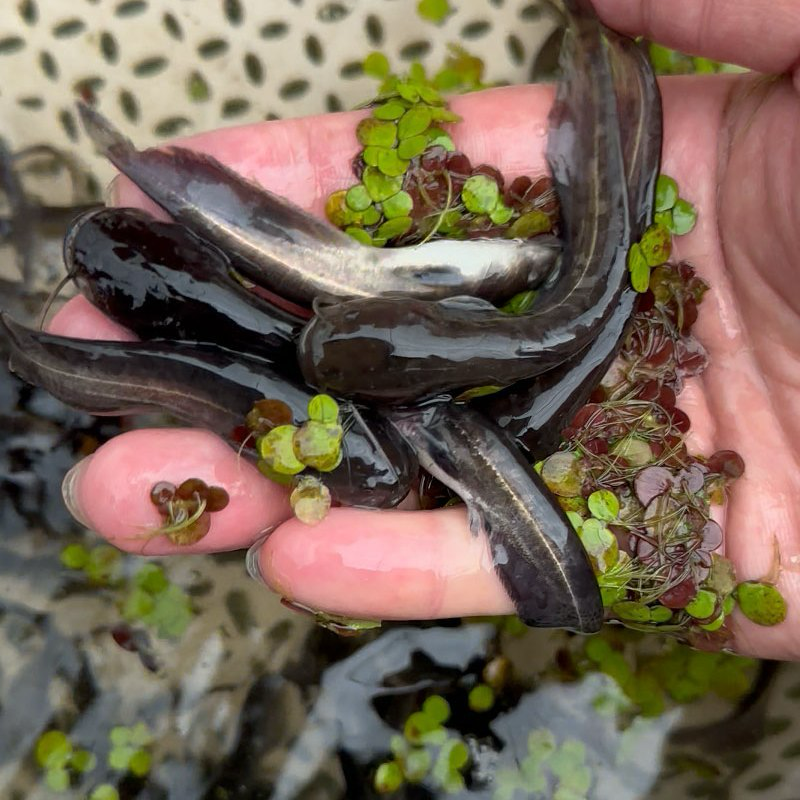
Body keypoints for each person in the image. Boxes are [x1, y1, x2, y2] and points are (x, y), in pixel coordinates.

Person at [48, 0, 800, 660]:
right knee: (585, 298)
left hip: (515, 330)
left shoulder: (496, 346)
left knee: (583, 302)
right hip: (523, 326)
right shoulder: (515, 338)